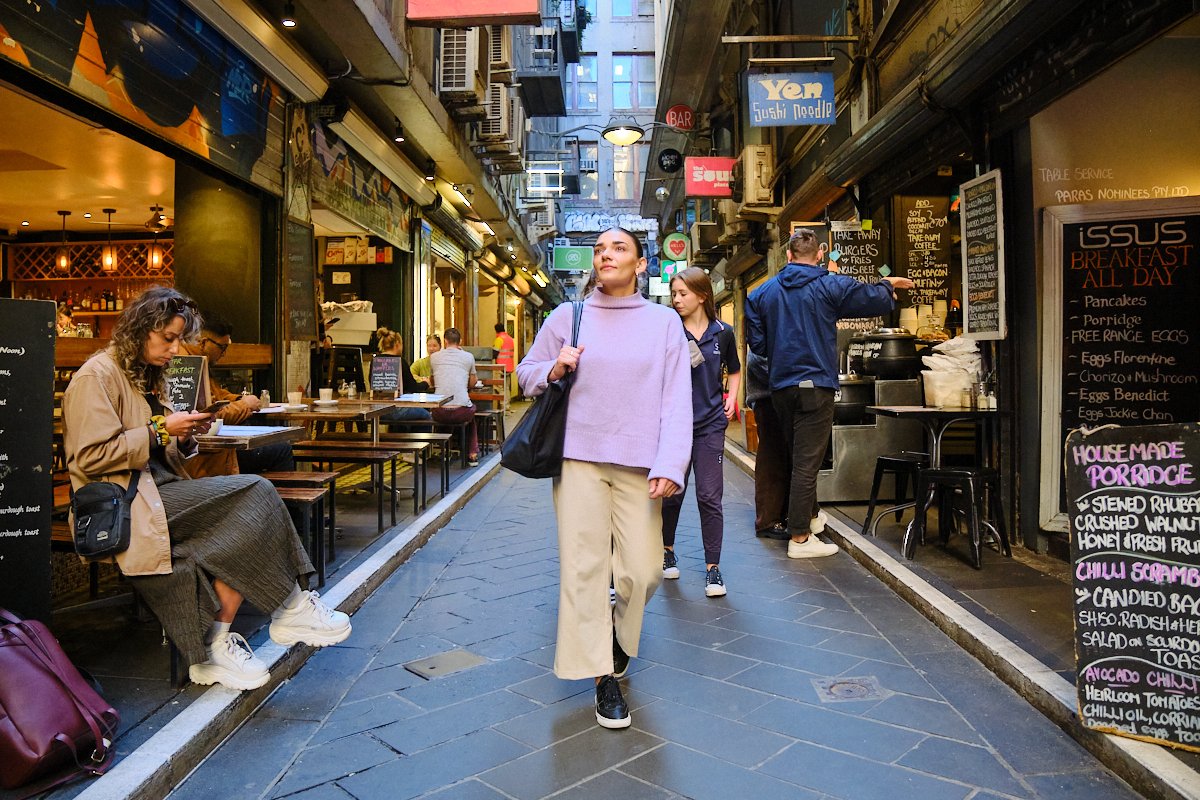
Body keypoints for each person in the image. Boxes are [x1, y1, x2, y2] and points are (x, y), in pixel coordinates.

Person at [62, 287, 351, 691]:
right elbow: (90, 458)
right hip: (123, 507)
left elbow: (159, 450)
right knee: (254, 492)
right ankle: (290, 607)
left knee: (241, 528)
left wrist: (183, 435)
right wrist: (162, 429)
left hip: (155, 494)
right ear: (141, 330)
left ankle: (215, 651)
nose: (176, 348)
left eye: (179, 338)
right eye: (169, 338)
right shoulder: (96, 376)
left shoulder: (139, 374)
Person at [516, 227, 691, 730]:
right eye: (599, 250)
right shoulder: (566, 317)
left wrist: (670, 463)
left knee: (645, 569)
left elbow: (677, 398)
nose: (605, 255)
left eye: (618, 248)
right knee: (584, 569)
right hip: (578, 461)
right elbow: (526, 374)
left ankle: (615, 635)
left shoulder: (662, 323)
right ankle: (602, 678)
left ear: (641, 265)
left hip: (641, 464)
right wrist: (553, 367)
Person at [745, 228, 912, 558]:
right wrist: (886, 285)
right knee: (807, 464)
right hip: (815, 386)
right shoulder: (830, 284)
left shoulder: (762, 293)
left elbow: (758, 343)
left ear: (789, 256)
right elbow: (871, 299)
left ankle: (810, 517)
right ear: (819, 255)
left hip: (780, 388)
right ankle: (801, 539)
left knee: (798, 457)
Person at [661, 267, 740, 598]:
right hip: (673, 426)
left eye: (683, 294)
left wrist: (732, 398)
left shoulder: (724, 332)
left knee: (710, 496)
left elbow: (734, 370)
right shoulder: (668, 331)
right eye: (674, 294)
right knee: (672, 494)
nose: (677, 300)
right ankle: (666, 550)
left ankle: (713, 569)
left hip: (710, 425)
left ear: (702, 295)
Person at [182, 312, 295, 477]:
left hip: (212, 452)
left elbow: (217, 396)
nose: (224, 354)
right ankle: (281, 502)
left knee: (274, 445)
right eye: (222, 347)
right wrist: (245, 405)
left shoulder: (198, 361)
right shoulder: (187, 364)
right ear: (204, 342)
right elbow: (209, 414)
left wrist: (238, 399)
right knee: (282, 450)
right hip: (206, 457)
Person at [745, 351, 790, 540]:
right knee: (772, 459)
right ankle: (767, 520)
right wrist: (788, 377)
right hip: (768, 398)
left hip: (777, 395)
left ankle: (779, 516)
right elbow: (757, 360)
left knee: (783, 458)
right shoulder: (766, 325)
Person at [427, 327, 479, 467]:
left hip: (439, 411)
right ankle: (472, 454)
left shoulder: (434, 357)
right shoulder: (468, 357)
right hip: (461, 412)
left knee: (446, 414)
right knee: (471, 412)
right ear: (460, 341)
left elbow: (432, 381)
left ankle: (445, 451)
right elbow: (473, 382)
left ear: (445, 341)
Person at [375, 326, 432, 423]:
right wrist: (426, 383)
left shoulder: (375, 361)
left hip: (378, 409)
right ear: (397, 344)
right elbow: (413, 388)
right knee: (426, 415)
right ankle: (419, 438)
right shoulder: (399, 361)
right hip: (397, 409)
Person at [492, 323, 516, 399]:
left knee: (499, 386)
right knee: (506, 387)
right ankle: (507, 406)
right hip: (509, 367)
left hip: (501, 367)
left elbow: (495, 353)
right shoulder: (510, 339)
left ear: (496, 331)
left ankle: (503, 406)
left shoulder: (499, 339)